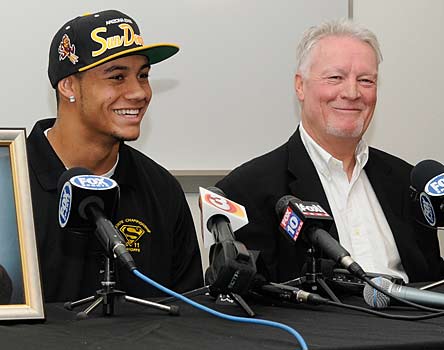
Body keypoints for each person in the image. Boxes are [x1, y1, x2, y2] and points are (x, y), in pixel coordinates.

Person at [216, 19, 444, 284]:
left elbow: (432, 281)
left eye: (366, 80)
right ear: (300, 86)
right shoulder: (246, 192)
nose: (352, 92)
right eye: (335, 77)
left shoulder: (408, 181)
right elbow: (253, 306)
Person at [27, 9, 203, 302]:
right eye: (117, 76)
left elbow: (188, 312)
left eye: (143, 75)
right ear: (68, 85)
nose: (139, 92)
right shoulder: (11, 181)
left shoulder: (162, 190)